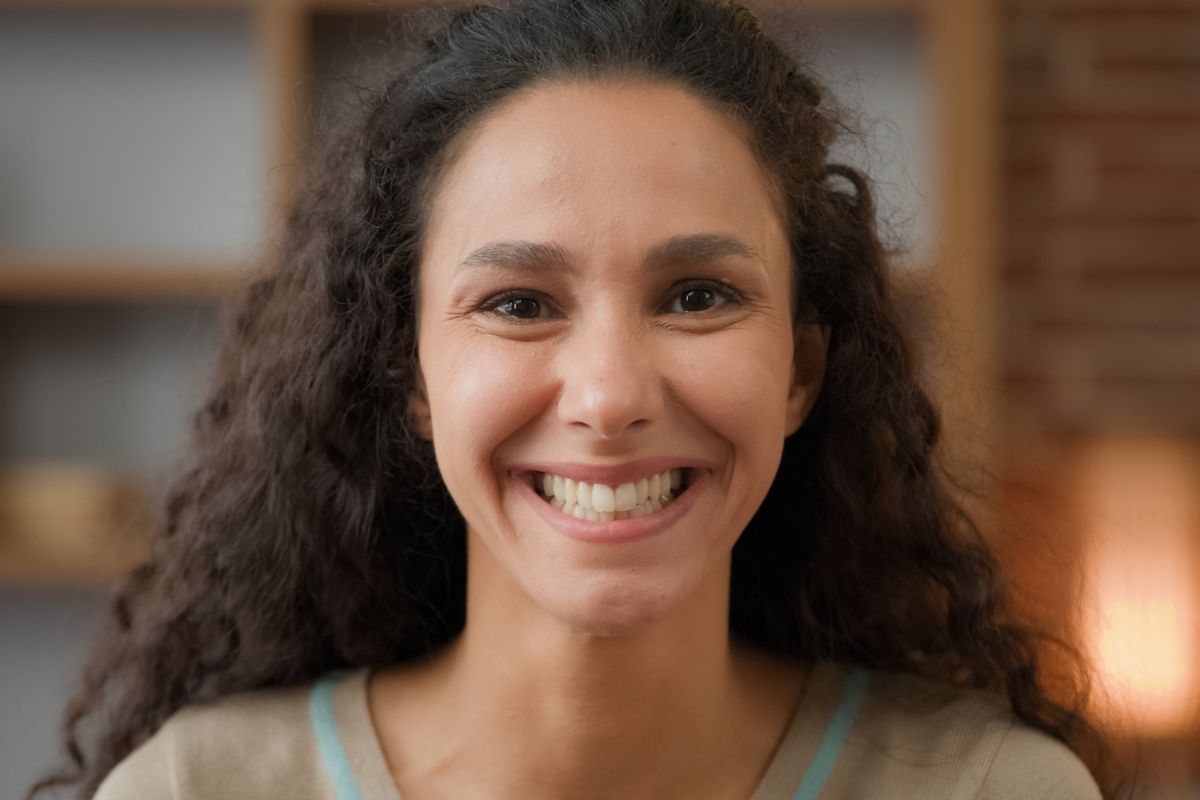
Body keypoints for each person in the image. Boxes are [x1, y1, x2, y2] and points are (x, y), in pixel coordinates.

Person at [30, 1, 1115, 798]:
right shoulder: (193, 790)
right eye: (518, 303)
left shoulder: (993, 790)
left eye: (698, 296)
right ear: (411, 374)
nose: (608, 395)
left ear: (800, 371)